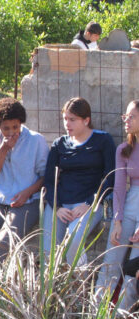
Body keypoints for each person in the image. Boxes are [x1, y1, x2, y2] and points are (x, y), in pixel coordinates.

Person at [42, 97, 115, 266]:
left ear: (86, 120)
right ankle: (52, 289)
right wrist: (57, 207)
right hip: (60, 205)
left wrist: (90, 203)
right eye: (65, 119)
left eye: (72, 119)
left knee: (72, 242)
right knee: (48, 252)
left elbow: (110, 177)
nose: (67, 124)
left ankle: (80, 285)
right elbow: (49, 180)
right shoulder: (59, 144)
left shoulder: (103, 140)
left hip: (90, 203)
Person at [0, 98, 48, 261]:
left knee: (1, 245)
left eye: (15, 127)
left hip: (28, 201)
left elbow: (45, 176)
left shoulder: (36, 140)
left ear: (21, 124)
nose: (11, 132)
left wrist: (27, 193)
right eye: (6, 128)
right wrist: (3, 150)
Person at [96, 101, 139, 305]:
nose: (126, 121)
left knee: (134, 271)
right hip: (129, 203)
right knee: (110, 263)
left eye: (132, 117)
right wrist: (118, 220)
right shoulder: (124, 149)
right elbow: (120, 187)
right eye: (125, 116)